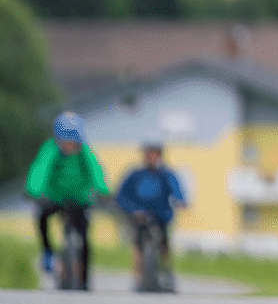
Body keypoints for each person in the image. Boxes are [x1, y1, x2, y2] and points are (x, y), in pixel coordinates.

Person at [25, 112, 112, 285]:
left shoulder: (84, 151)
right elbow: (40, 169)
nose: (68, 145)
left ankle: (84, 279)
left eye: (72, 142)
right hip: (56, 198)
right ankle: (47, 251)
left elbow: (95, 170)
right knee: (42, 216)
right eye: (64, 141)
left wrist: (103, 190)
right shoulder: (50, 149)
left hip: (80, 199)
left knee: (85, 237)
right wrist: (33, 190)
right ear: (57, 138)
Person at [116, 141, 189, 266]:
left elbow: (177, 190)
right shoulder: (136, 174)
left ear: (160, 155)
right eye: (149, 153)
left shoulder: (166, 174)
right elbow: (122, 195)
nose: (151, 157)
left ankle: (166, 271)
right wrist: (128, 208)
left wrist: (180, 201)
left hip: (161, 214)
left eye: (154, 154)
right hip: (139, 214)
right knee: (138, 243)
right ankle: (139, 277)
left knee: (164, 242)